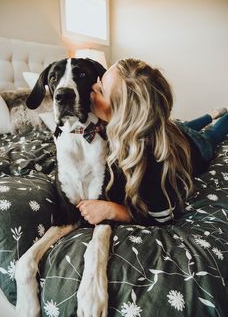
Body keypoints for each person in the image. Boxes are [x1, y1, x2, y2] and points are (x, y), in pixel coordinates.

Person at [76, 58, 228, 226]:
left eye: (101, 90)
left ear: (122, 116)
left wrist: (113, 210)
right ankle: (210, 115)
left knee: (212, 135)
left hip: (196, 145)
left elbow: (162, 217)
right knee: (183, 126)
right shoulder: (125, 126)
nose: (93, 87)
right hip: (173, 130)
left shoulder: (153, 164)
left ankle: (221, 117)